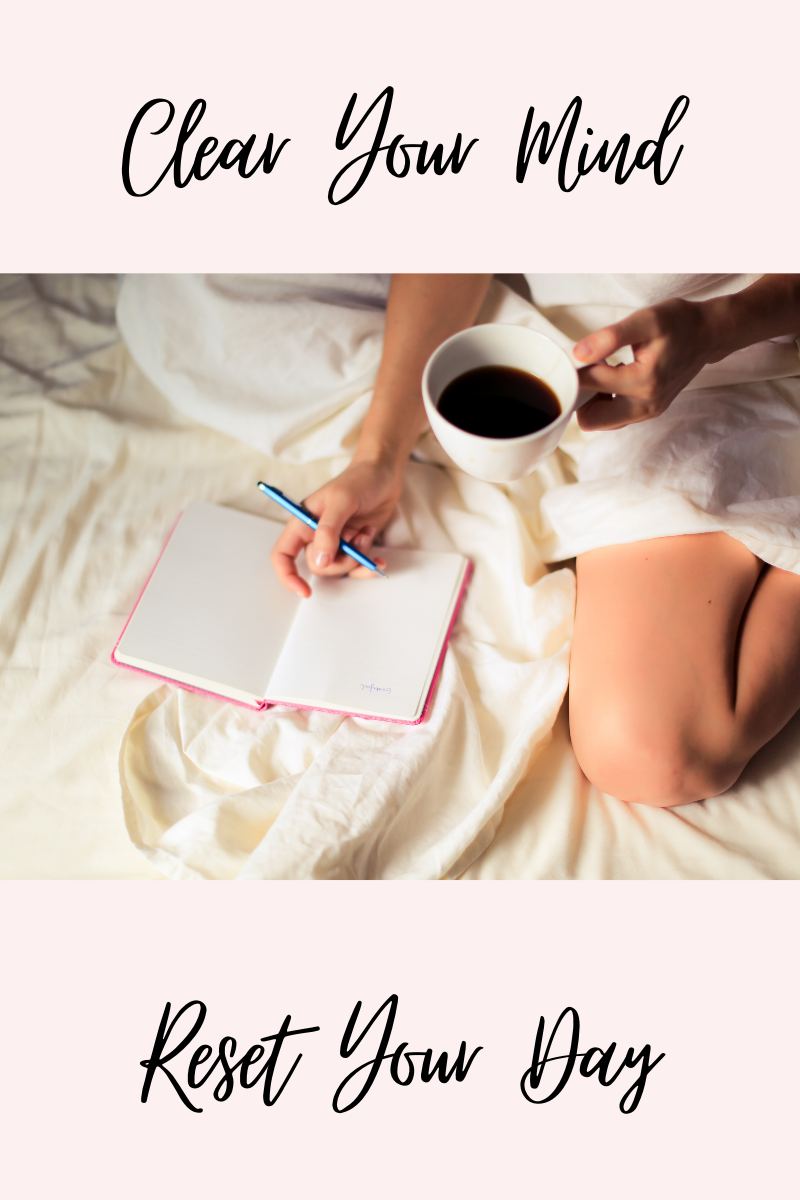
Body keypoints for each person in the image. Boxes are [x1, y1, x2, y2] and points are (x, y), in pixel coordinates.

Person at [271, 273, 800, 808]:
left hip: (747, 358)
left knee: (648, 755)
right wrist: (377, 457)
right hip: (567, 359)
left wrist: (718, 327)